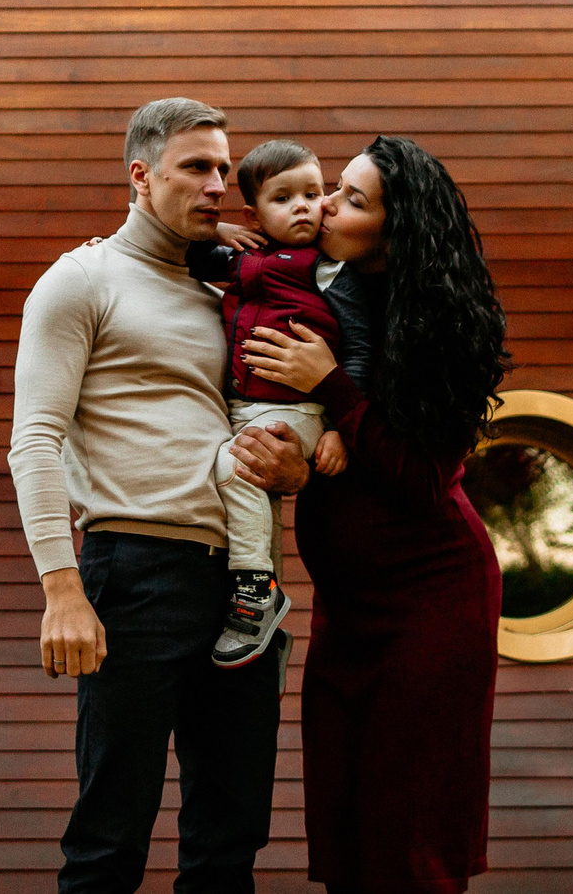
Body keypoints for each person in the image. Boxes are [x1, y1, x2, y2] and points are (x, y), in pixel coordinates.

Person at [8, 96, 314, 894]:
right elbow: (33, 439)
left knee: (229, 841)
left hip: (246, 585)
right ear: (141, 176)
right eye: (197, 167)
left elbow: (270, 419)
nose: (220, 184)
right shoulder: (80, 280)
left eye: (224, 167)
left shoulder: (233, 291)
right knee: (111, 840)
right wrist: (62, 589)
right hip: (134, 574)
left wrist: (297, 470)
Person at [243, 135, 510, 894]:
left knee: (410, 840)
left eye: (351, 199)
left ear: (399, 230)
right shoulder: (332, 295)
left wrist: (333, 385)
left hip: (429, 604)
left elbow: (420, 476)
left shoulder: (443, 324)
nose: (323, 205)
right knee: (347, 832)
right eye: (333, 188)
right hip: (348, 611)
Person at [184, 139, 363, 668]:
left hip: (301, 413)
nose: (304, 205)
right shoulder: (246, 259)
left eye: (313, 192)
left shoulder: (330, 270)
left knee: (234, 465)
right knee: (236, 475)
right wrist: (216, 229)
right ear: (253, 215)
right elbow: (188, 255)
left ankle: (256, 588)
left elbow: (362, 350)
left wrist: (340, 426)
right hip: (251, 406)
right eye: (283, 198)